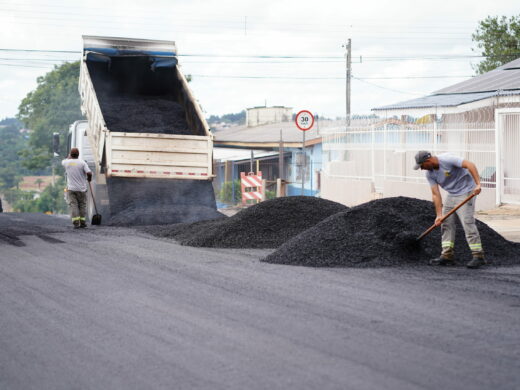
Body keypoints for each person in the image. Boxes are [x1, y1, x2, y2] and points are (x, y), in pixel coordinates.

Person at [414, 150, 485, 269]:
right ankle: (447, 255)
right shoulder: (429, 174)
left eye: (422, 166)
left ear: (428, 160)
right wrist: (438, 215)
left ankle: (478, 255)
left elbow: (470, 164)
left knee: (467, 223)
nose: (422, 169)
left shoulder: (447, 159)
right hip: (452, 194)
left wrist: (478, 184)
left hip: (467, 191)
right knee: (445, 223)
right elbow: (435, 194)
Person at [62, 148, 92, 228]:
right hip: (82, 189)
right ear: (78, 154)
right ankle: (82, 222)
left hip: (71, 189)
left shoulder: (66, 162)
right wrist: (89, 178)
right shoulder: (82, 163)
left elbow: (64, 161)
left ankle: (76, 223)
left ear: (71, 155)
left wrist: (69, 157)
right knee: (82, 205)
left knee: (74, 205)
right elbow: (89, 173)